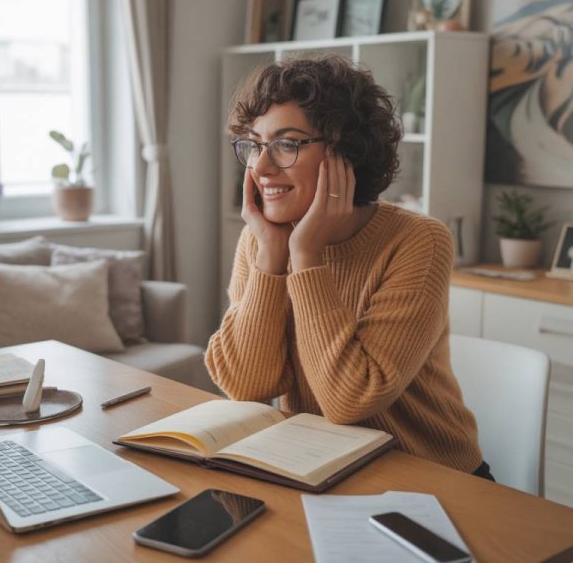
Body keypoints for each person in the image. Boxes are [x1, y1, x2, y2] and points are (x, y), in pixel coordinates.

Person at [206, 55, 492, 480]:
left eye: (287, 144)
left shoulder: (418, 241)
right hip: (322, 469)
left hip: (433, 478)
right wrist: (270, 257)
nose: (261, 167)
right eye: (255, 144)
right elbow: (246, 386)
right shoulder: (262, 238)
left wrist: (306, 256)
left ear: (345, 153)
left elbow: (350, 400)